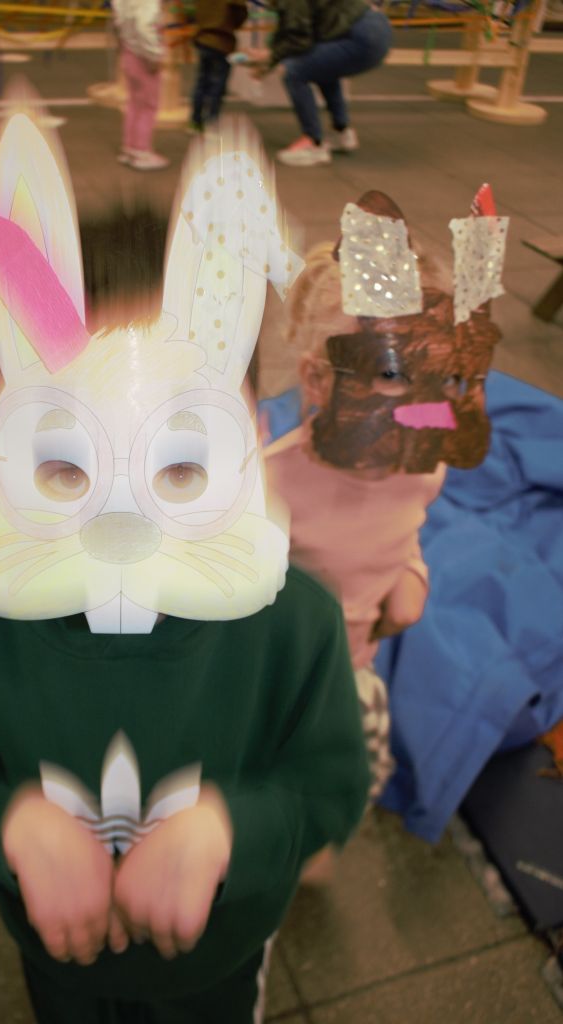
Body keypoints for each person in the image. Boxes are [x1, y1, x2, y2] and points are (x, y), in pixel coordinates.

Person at [0, 111, 370, 1023]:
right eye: (68, 465)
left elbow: (329, 788)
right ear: (1, 435)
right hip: (56, 960)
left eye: (179, 467)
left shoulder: (294, 624)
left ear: (248, 438)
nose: (121, 522)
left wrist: (230, 828)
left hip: (221, 963)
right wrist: (13, 824)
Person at [265, 188, 505, 803]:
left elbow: (408, 528)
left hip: (352, 672)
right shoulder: (266, 485)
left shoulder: (421, 467)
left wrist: (411, 575)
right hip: (264, 684)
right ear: (320, 380)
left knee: (343, 788)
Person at [251, 0, 392, 165]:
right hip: (375, 29)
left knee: (293, 71)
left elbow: (299, 39)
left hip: (361, 36)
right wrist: (270, 58)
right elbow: (290, 29)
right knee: (322, 68)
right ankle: (341, 132)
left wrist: (271, 57)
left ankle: (313, 143)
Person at [112, 0, 169, 170]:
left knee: (134, 103)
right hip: (143, 56)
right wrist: (155, 54)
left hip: (129, 51)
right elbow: (145, 26)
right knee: (148, 105)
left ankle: (130, 147)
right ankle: (141, 151)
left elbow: (119, 22)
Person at [190, 1, 248, 133]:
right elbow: (241, 12)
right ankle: (211, 121)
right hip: (222, 41)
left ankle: (195, 120)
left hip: (203, 38)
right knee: (217, 84)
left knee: (202, 82)